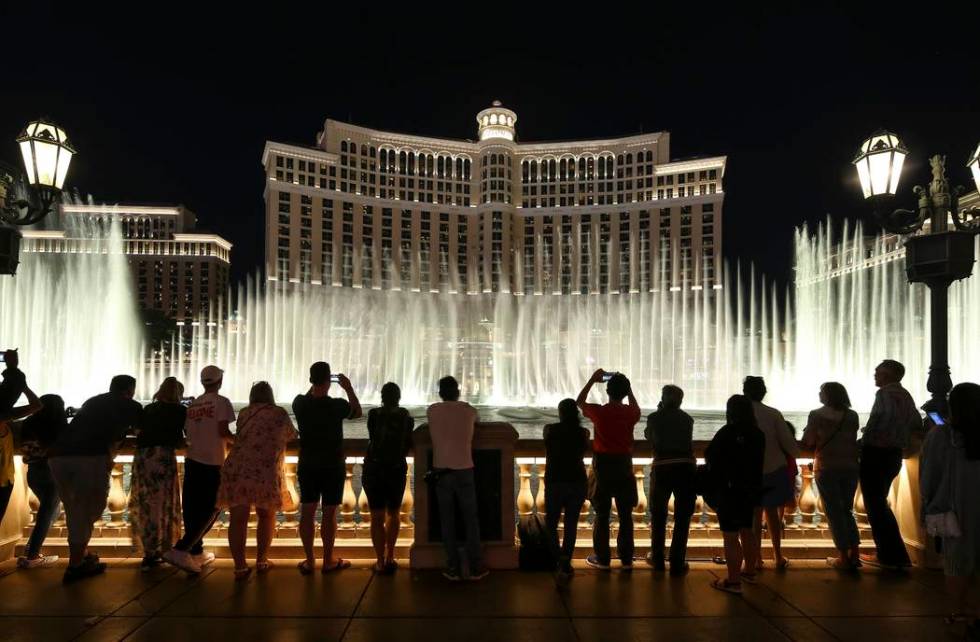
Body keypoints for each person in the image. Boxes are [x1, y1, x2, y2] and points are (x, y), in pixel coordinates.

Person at [48, 375, 142, 584]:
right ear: (130, 390)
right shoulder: (130, 405)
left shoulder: (93, 401)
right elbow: (142, 432)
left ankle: (81, 556)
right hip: (88, 457)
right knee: (90, 507)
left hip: (58, 457)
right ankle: (75, 566)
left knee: (75, 509)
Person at [217, 381, 296, 581]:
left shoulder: (244, 412)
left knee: (238, 518)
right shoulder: (279, 413)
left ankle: (240, 567)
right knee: (266, 515)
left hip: (238, 468)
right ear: (270, 395)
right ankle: (262, 560)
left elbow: (241, 436)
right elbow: (291, 436)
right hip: (265, 470)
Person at [163, 365, 235, 575]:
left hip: (192, 459)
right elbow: (223, 431)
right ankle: (181, 549)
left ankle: (195, 552)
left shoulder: (193, 405)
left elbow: (188, 431)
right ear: (219, 381)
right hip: (213, 461)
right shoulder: (222, 402)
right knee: (214, 506)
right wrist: (240, 441)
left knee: (193, 508)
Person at [293, 361, 362, 575]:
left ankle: (310, 560)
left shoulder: (299, 403)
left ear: (311, 379)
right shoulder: (337, 405)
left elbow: (307, 397)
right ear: (328, 380)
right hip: (332, 464)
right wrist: (348, 388)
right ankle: (328, 560)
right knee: (329, 512)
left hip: (307, 464)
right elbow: (357, 412)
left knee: (307, 511)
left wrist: (315, 385)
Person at [921, 382, 980, 632]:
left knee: (957, 562)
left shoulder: (943, 435)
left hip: (956, 509)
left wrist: (928, 504)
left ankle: (959, 612)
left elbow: (929, 476)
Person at [577, 369, 641, 571]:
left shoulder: (600, 412)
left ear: (608, 391)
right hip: (624, 465)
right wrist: (629, 389)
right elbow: (636, 407)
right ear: (625, 392)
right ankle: (627, 558)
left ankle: (603, 558)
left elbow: (579, 402)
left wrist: (592, 380)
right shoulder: (631, 413)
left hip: (602, 465)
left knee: (602, 514)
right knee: (625, 514)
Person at [427, 375, 488, 581]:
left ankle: (452, 566)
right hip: (465, 470)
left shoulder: (432, 410)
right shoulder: (469, 410)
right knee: (471, 520)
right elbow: (477, 421)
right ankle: (475, 566)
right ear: (458, 392)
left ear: (441, 393)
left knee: (447, 520)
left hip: (441, 472)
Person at [859, 359, 918, 569]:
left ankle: (890, 556)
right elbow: (915, 422)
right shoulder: (906, 395)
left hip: (876, 454)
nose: (875, 375)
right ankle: (895, 554)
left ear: (891, 375)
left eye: (879, 372)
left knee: (875, 506)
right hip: (893, 455)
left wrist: (864, 439)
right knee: (880, 504)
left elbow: (878, 420)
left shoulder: (883, 394)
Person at [706, 394, 765, 595]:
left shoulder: (727, 432)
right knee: (747, 530)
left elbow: (711, 457)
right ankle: (749, 571)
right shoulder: (758, 434)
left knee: (730, 536)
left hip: (730, 490)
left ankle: (733, 581)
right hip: (751, 490)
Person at [802, 382, 861, 569]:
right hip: (851, 466)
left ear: (828, 395)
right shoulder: (852, 416)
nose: (819, 394)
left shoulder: (817, 415)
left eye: (821, 391)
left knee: (834, 512)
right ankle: (855, 554)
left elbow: (809, 441)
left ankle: (843, 556)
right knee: (847, 511)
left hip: (827, 467)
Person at [129, 377, 186, 570]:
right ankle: (162, 548)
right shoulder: (180, 411)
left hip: (143, 458)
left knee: (147, 504)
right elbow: (180, 439)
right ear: (178, 394)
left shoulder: (149, 409)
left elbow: (138, 431)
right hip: (162, 458)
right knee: (163, 504)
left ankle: (149, 550)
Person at [743, 376, 798, 570]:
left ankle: (755, 558)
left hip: (749, 470)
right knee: (773, 515)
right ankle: (778, 556)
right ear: (763, 393)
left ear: (744, 392)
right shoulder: (774, 414)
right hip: (774, 468)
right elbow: (788, 442)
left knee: (754, 517)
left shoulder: (740, 413)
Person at [362, 382, 414, 573]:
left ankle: (379, 561)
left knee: (377, 517)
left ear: (382, 397)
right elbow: (408, 440)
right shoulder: (405, 416)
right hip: (395, 468)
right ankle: (391, 555)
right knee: (393, 513)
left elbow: (372, 436)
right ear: (398, 397)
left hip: (374, 468)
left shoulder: (374, 414)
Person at [645, 384, 696, 575]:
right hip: (685, 468)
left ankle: (657, 559)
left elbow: (649, 436)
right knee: (683, 516)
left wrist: (658, 412)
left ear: (663, 398)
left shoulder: (654, 417)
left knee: (658, 514)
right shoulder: (687, 419)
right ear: (681, 401)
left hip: (663, 468)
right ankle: (677, 561)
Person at [17, 393, 68, 568]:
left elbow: (25, 447)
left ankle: (31, 550)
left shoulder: (27, 424)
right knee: (47, 514)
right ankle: (32, 556)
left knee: (51, 511)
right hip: (51, 472)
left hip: (33, 473)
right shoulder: (58, 426)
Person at [543, 398, 589, 583]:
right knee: (571, 525)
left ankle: (558, 559)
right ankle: (566, 561)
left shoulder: (550, 430)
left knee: (551, 524)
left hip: (555, 482)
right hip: (577, 482)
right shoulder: (583, 433)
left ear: (560, 412)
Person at [0, 381, 43, 526]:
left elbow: (36, 406)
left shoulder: (5, 419)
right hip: (4, 481)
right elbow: (37, 405)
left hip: (6, 480)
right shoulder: (4, 418)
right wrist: (23, 386)